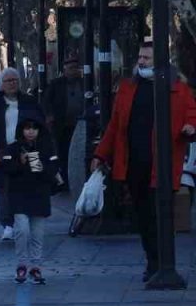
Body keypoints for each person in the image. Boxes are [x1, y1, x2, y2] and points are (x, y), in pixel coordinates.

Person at [92, 41, 196, 282]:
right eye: (140, 57)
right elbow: (115, 127)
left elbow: (192, 114)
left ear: (160, 60)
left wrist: (190, 127)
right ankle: (153, 262)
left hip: (163, 166)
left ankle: (162, 264)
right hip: (134, 165)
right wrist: (101, 154)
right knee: (142, 216)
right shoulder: (128, 89)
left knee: (159, 215)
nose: (141, 61)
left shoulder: (178, 89)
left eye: (147, 58)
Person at [0, 68, 43, 241]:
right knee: (5, 188)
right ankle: (8, 225)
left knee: (33, 185)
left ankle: (29, 222)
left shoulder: (29, 101)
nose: (12, 84)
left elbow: (40, 124)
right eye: (8, 81)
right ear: (1, 84)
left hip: (30, 149)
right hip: (5, 150)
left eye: (15, 80)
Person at [1, 117, 57, 285]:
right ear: (21, 130)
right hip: (19, 195)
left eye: (34, 128)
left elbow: (51, 170)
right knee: (22, 230)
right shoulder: (13, 148)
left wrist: (37, 164)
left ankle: (36, 266)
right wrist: (20, 162)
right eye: (27, 128)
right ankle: (22, 264)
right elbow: (6, 170)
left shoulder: (46, 147)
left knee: (38, 233)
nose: (30, 132)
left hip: (39, 195)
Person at [44, 58, 85, 188]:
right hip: (62, 125)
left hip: (79, 124)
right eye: (71, 68)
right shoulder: (56, 84)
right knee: (62, 153)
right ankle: (64, 181)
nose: (74, 71)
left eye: (76, 68)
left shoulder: (84, 83)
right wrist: (50, 116)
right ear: (65, 70)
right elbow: (46, 101)